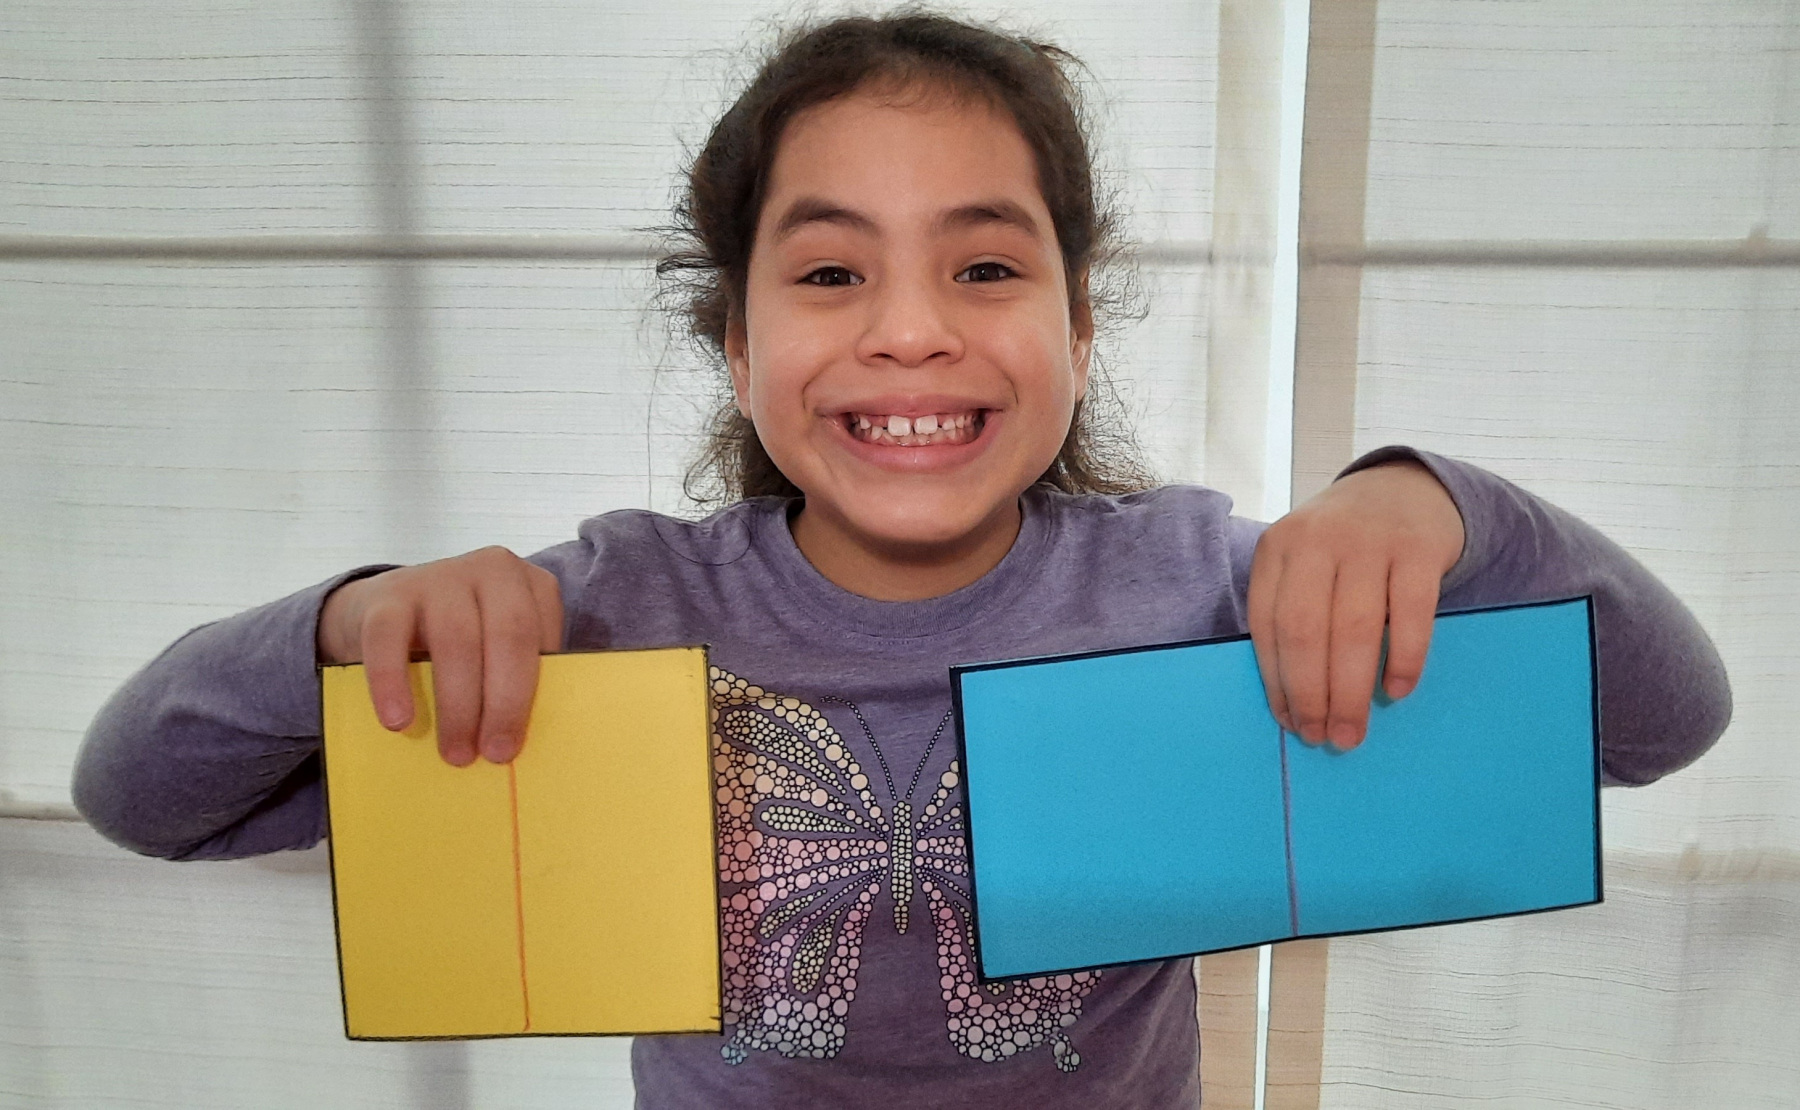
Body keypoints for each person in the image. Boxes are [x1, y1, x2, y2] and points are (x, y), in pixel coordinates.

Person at [71, 11, 1731, 1110]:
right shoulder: (614, 610)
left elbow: (1669, 717)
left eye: (987, 266)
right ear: (738, 347)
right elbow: (143, 793)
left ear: (1081, 329)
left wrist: (1432, 503)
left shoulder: (1189, 587)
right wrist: (354, 618)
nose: (914, 330)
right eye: (830, 273)